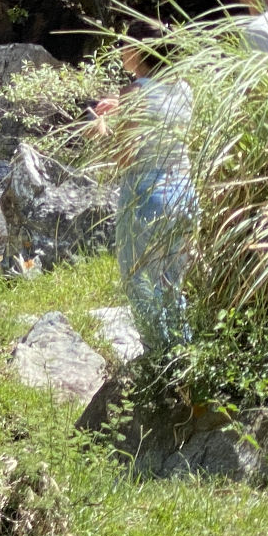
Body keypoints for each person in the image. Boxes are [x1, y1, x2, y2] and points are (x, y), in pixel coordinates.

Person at [94, 39, 198, 356]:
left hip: (147, 196)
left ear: (139, 52)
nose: (120, 50)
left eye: (125, 45)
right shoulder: (184, 88)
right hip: (184, 192)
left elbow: (125, 157)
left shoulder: (134, 92)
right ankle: (185, 358)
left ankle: (158, 365)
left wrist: (100, 126)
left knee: (140, 283)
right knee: (173, 285)